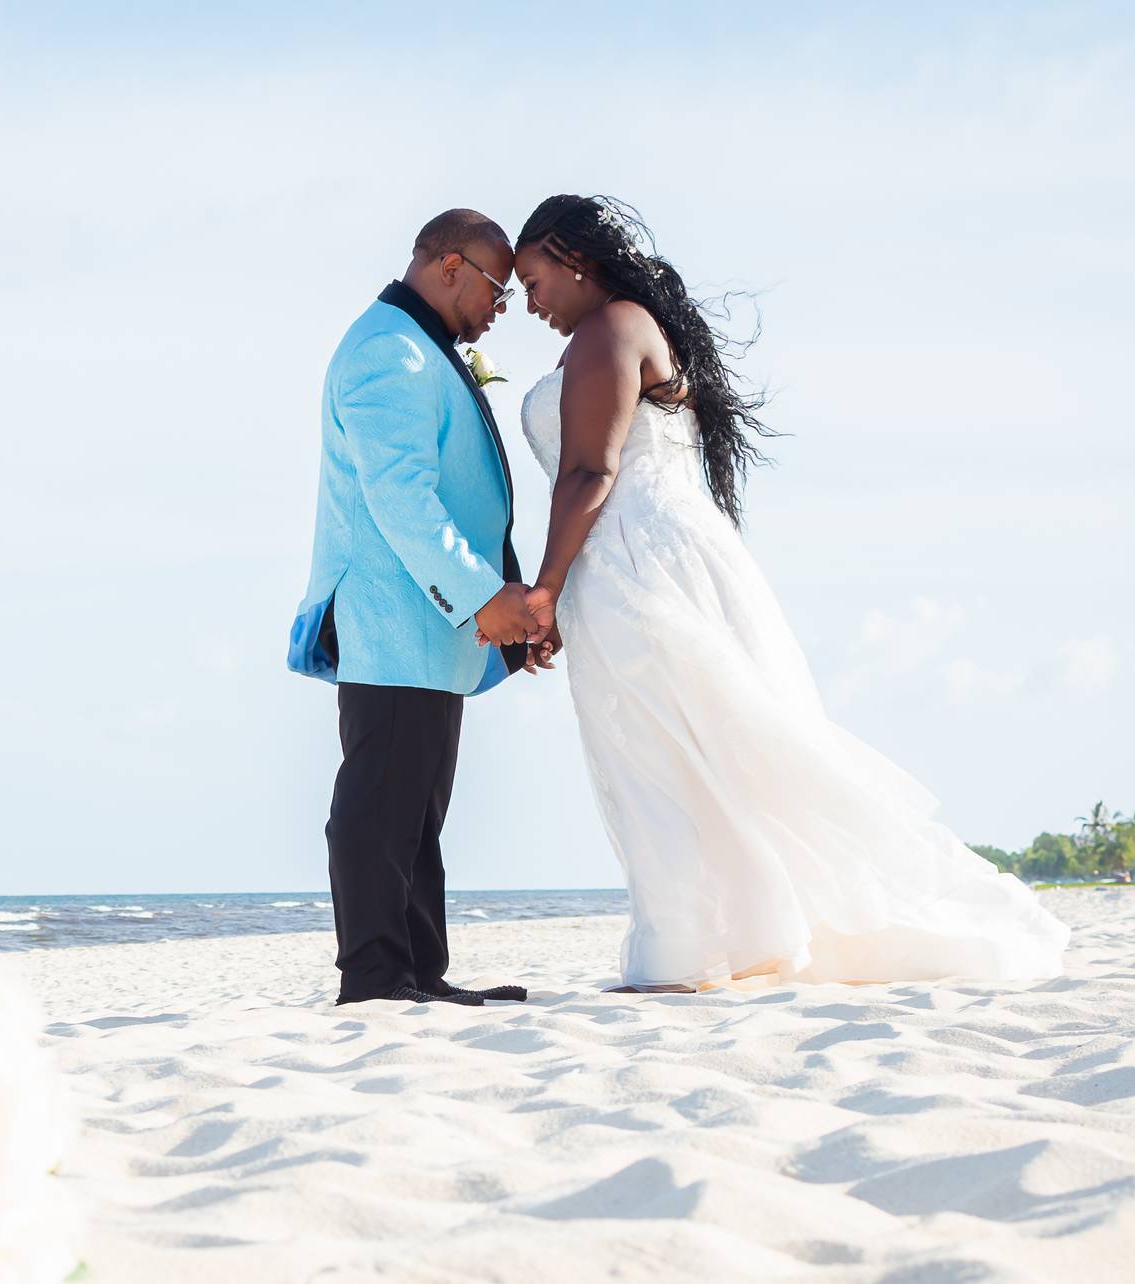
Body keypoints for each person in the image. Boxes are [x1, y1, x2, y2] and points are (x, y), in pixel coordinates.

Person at [508, 194, 1067, 990]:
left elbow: (592, 469)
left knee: (670, 751)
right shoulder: (618, 327)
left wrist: (546, 588)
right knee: (684, 749)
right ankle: (724, 938)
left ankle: (696, 946)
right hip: (637, 551)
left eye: (534, 282)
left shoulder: (610, 327)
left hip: (638, 559)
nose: (530, 304)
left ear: (574, 259)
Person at [287, 208, 544, 1006]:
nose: (502, 308)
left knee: (417, 808)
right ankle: (374, 977)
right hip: (394, 620)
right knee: (377, 803)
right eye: (498, 288)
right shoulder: (387, 353)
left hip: (431, 630)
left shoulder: (415, 347)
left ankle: (417, 972)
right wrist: (477, 600)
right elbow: (402, 498)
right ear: (449, 265)